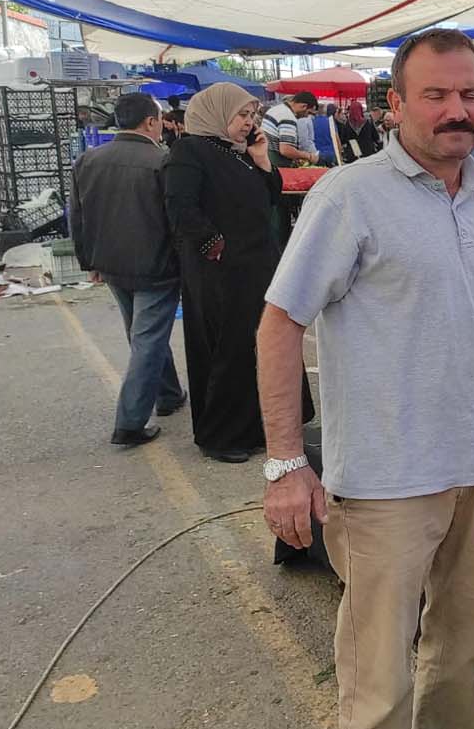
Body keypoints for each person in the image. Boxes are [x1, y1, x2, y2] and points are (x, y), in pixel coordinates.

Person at [258, 27, 474, 729]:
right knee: (378, 675)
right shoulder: (349, 195)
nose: (455, 110)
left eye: (470, 95)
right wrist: (287, 463)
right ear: (395, 105)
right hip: (385, 476)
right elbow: (280, 323)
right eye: (435, 95)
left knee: (467, 642)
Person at [166, 83, 308, 463]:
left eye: (252, 115)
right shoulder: (190, 151)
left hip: (254, 266)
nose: (249, 122)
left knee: (259, 346)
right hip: (221, 272)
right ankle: (221, 436)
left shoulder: (238, 153)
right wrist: (214, 245)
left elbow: (273, 197)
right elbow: (180, 207)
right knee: (228, 350)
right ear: (217, 114)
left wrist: (262, 159)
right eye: (242, 115)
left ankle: (258, 427)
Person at [69, 91, 186, 446]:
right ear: (151, 122)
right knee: (147, 339)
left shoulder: (88, 160)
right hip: (155, 266)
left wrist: (88, 261)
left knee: (142, 334)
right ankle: (130, 423)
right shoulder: (162, 162)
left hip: (111, 264)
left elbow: (77, 217)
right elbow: (175, 221)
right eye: (160, 120)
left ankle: (168, 394)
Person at [262, 90, 321, 167]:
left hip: (265, 157)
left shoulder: (276, 109)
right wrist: (308, 156)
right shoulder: (288, 117)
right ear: (304, 106)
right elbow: (286, 150)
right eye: (309, 113)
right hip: (276, 163)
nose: (307, 116)